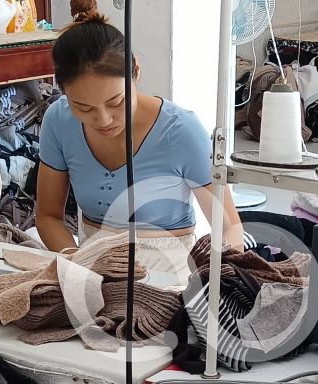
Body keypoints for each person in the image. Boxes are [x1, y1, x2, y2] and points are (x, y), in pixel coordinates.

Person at [34, 0, 245, 277]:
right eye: (83, 108)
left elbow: (230, 227)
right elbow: (48, 216)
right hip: (91, 269)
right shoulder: (59, 121)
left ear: (135, 71)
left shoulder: (181, 131)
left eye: (116, 101)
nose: (103, 120)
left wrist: (216, 280)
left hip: (170, 274)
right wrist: (77, 264)